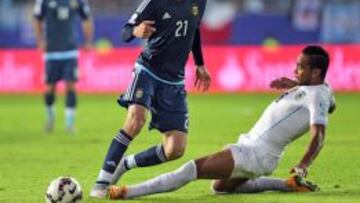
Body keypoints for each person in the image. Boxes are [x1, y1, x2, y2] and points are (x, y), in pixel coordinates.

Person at [108, 45, 336, 200]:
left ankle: (128, 192)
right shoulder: (318, 91)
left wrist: (303, 166)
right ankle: (286, 185)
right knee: (219, 188)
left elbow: (319, 135)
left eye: (301, 67)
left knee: (192, 169)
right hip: (259, 153)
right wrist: (298, 87)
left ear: (316, 73)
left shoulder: (316, 95)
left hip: (255, 153)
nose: (295, 70)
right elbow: (330, 103)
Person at [90, 0, 211, 198]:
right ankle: (102, 182)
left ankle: (125, 164)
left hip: (174, 81)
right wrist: (136, 30)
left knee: (175, 149)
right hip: (148, 70)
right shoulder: (153, 3)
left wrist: (200, 63)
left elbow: (194, 27)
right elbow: (125, 31)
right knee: (135, 119)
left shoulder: (199, 2)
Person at [33, 0, 94, 133]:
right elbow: (37, 19)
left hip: (70, 51)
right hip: (51, 52)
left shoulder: (78, 2)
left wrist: (88, 40)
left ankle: (69, 123)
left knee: (71, 86)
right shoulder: (43, 2)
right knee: (50, 88)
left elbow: (87, 18)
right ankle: (50, 117)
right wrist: (40, 41)